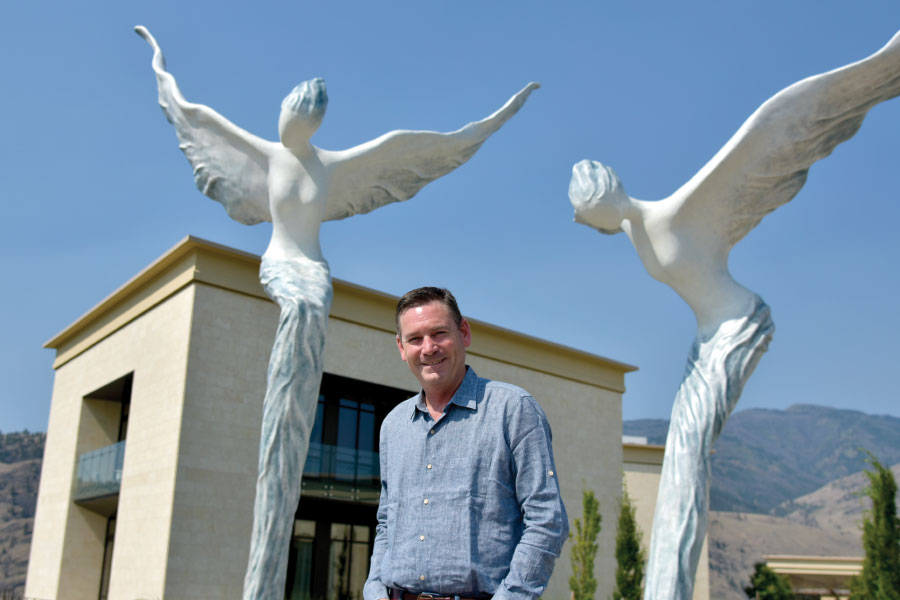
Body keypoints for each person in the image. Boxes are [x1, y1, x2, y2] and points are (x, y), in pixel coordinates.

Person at [364, 287, 568, 600]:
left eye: (439, 333)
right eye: (415, 338)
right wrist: (374, 590)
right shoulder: (393, 425)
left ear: (464, 333)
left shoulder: (513, 409)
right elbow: (386, 523)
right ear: (401, 348)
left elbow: (547, 521)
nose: (428, 348)